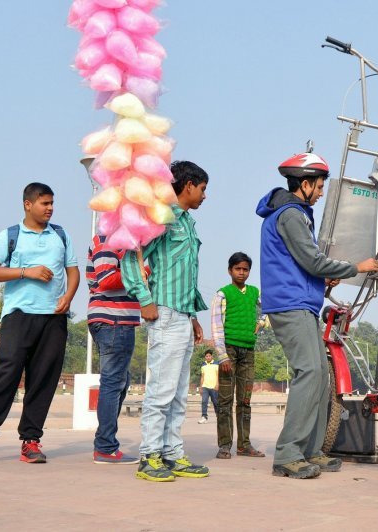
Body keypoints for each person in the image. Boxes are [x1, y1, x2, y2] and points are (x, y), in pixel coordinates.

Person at [257, 150, 378, 479]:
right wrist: (357, 266)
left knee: (321, 377)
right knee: (310, 372)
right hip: (290, 303)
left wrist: (321, 279)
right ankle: (287, 455)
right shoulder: (291, 215)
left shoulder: (293, 214)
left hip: (301, 301)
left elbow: (300, 264)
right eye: (320, 185)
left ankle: (310, 451)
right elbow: (311, 260)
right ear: (306, 183)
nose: (322, 191)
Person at [0, 182, 79, 465]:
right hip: (18, 315)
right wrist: (27, 272)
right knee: (7, 372)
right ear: (28, 204)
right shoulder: (10, 235)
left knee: (44, 379)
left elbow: (72, 271)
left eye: (52, 203)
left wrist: (69, 297)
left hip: (54, 318)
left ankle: (31, 441)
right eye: (44, 203)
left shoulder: (60, 235)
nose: (50, 208)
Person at [121, 160, 210, 482]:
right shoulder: (161, 217)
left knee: (177, 393)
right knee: (160, 390)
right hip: (164, 313)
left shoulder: (187, 223)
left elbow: (185, 274)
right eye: (202, 189)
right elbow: (131, 255)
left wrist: (194, 317)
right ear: (188, 186)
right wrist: (143, 299)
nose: (204, 196)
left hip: (182, 315)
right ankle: (150, 456)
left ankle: (172, 453)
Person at [86, 233, 144, 464]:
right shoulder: (108, 239)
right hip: (113, 319)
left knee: (120, 381)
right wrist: (143, 272)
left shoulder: (122, 240)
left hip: (118, 320)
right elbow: (107, 279)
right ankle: (105, 446)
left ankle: (105, 442)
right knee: (113, 382)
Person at [211, 252, 266, 459]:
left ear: (249, 271)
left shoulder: (254, 292)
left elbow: (267, 309)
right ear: (230, 270)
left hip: (248, 351)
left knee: (245, 400)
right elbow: (216, 326)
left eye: (245, 269)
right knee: (225, 400)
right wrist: (222, 356)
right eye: (237, 269)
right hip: (229, 352)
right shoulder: (222, 294)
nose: (241, 272)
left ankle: (244, 445)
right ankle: (225, 445)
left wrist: (261, 323)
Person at [198, 350, 219, 424]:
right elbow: (202, 377)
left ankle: (218, 416)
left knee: (216, 402)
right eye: (206, 356)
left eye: (209, 356)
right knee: (204, 401)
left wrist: (217, 384)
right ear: (205, 357)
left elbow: (218, 375)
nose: (208, 357)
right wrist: (200, 387)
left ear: (212, 356)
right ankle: (204, 417)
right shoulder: (203, 365)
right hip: (205, 387)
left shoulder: (216, 364)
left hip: (214, 387)